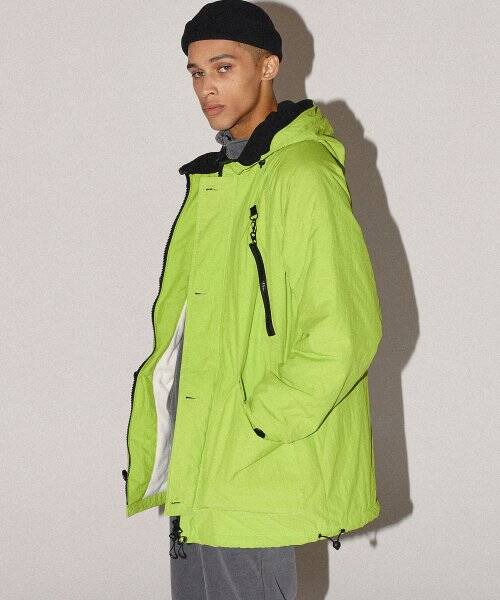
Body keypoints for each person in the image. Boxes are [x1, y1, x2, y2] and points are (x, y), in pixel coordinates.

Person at [122, 1, 383, 598]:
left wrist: (259, 423)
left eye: (223, 67)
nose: (206, 88)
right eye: (196, 73)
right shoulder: (222, 179)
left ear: (269, 67)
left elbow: (344, 330)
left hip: (252, 468)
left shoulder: (302, 174)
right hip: (202, 461)